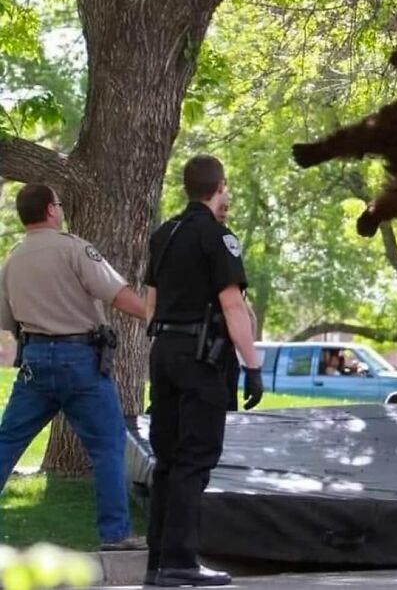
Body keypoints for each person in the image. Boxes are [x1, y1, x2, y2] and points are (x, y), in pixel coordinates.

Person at [0, 183, 147, 550]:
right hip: (80, 360)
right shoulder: (75, 248)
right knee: (108, 445)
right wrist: (154, 316)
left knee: (7, 443)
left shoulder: (12, 260)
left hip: (34, 361)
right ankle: (115, 534)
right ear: (51, 209)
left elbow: (6, 321)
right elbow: (117, 293)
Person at [144, 155, 263, 587]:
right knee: (195, 459)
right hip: (202, 356)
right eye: (226, 190)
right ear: (220, 187)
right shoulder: (218, 237)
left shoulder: (164, 235)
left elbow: (151, 306)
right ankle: (181, 563)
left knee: (167, 459)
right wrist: (252, 366)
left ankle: (158, 562)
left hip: (165, 352)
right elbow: (232, 305)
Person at [215, 194, 257, 412]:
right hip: (211, 353)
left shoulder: (169, 235)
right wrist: (253, 368)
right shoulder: (223, 240)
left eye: (227, 207)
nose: (224, 212)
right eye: (221, 206)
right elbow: (232, 306)